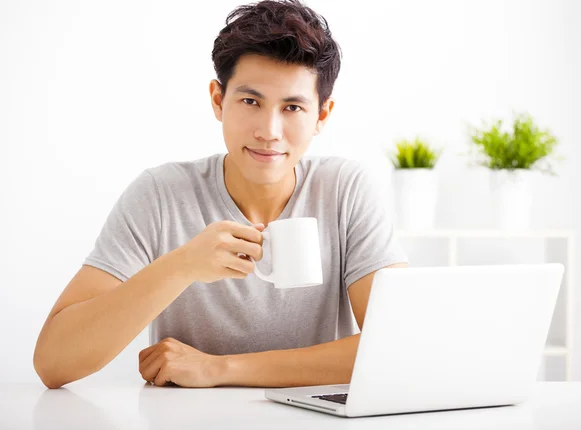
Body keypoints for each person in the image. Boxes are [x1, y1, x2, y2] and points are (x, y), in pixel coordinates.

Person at [33, 0, 408, 389]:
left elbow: (398, 348)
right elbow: (54, 363)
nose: (269, 131)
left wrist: (220, 368)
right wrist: (181, 267)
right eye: (250, 101)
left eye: (293, 107)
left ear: (321, 116)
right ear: (218, 100)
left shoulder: (346, 190)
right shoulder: (160, 196)